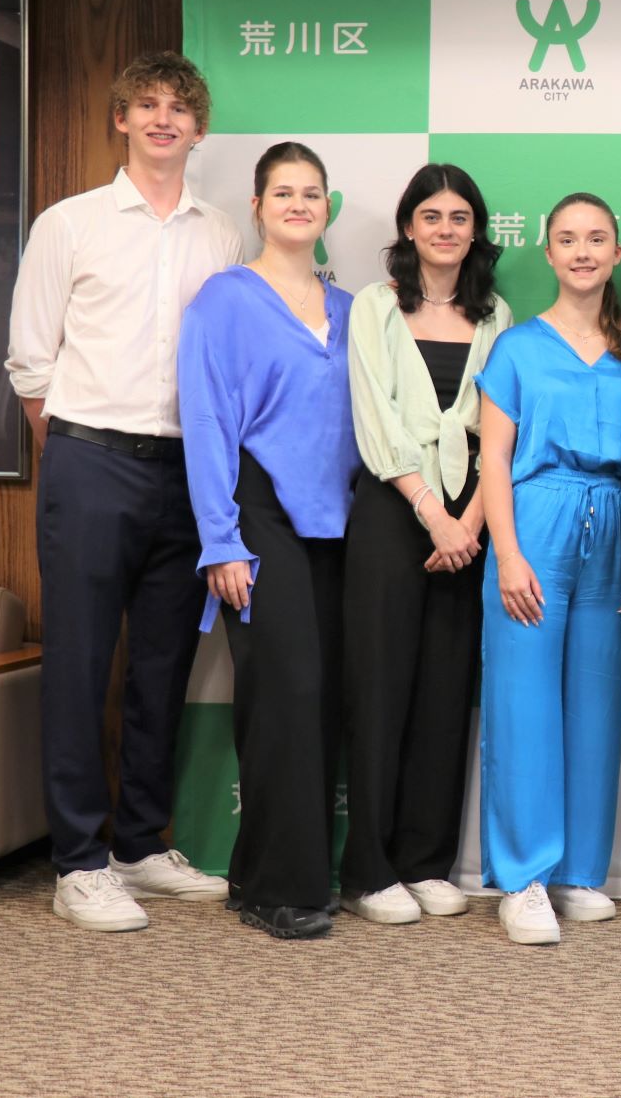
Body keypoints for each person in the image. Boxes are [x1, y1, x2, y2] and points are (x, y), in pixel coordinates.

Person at [5, 51, 238, 931]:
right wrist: (74, 449)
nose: (163, 119)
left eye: (180, 107)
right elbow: (32, 360)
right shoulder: (70, 223)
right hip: (90, 457)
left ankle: (140, 844)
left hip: (188, 470)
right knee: (76, 662)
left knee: (163, 663)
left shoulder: (221, 234)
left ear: (199, 129)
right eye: (147, 105)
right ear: (121, 120)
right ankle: (77, 860)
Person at [178, 142, 360, 940]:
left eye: (311, 193)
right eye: (282, 192)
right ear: (256, 207)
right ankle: (288, 890)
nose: (297, 204)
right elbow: (208, 421)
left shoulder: (355, 309)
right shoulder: (224, 300)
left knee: (320, 701)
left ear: (329, 208)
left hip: (344, 525)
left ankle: (257, 876)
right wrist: (221, 541)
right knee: (285, 696)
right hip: (257, 512)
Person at [474, 192, 621, 945]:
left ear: (617, 253)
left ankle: (579, 871)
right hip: (535, 521)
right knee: (522, 700)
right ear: (547, 254)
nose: (582, 251)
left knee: (595, 699)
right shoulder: (517, 347)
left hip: (615, 523)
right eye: (567, 240)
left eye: (597, 239)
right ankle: (523, 879)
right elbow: (490, 456)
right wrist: (509, 554)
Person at [338, 164, 510, 925]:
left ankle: (425, 859)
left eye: (460, 216)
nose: (446, 228)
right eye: (431, 215)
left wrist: (467, 522)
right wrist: (429, 512)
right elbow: (374, 417)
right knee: (380, 689)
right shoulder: (374, 307)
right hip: (390, 511)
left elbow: (498, 432)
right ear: (408, 226)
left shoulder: (497, 314)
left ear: (477, 231)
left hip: (470, 522)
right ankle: (371, 868)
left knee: (446, 689)